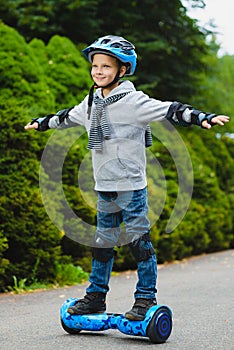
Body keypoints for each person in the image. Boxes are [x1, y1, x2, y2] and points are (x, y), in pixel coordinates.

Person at [25, 35, 229, 321]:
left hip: (132, 189)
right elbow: (67, 117)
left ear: (122, 70)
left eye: (106, 66)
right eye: (95, 65)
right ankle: (96, 296)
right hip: (104, 187)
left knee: (139, 243)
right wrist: (42, 122)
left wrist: (201, 117)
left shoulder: (134, 102)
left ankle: (146, 298)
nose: (98, 71)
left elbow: (169, 109)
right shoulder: (91, 102)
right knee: (102, 244)